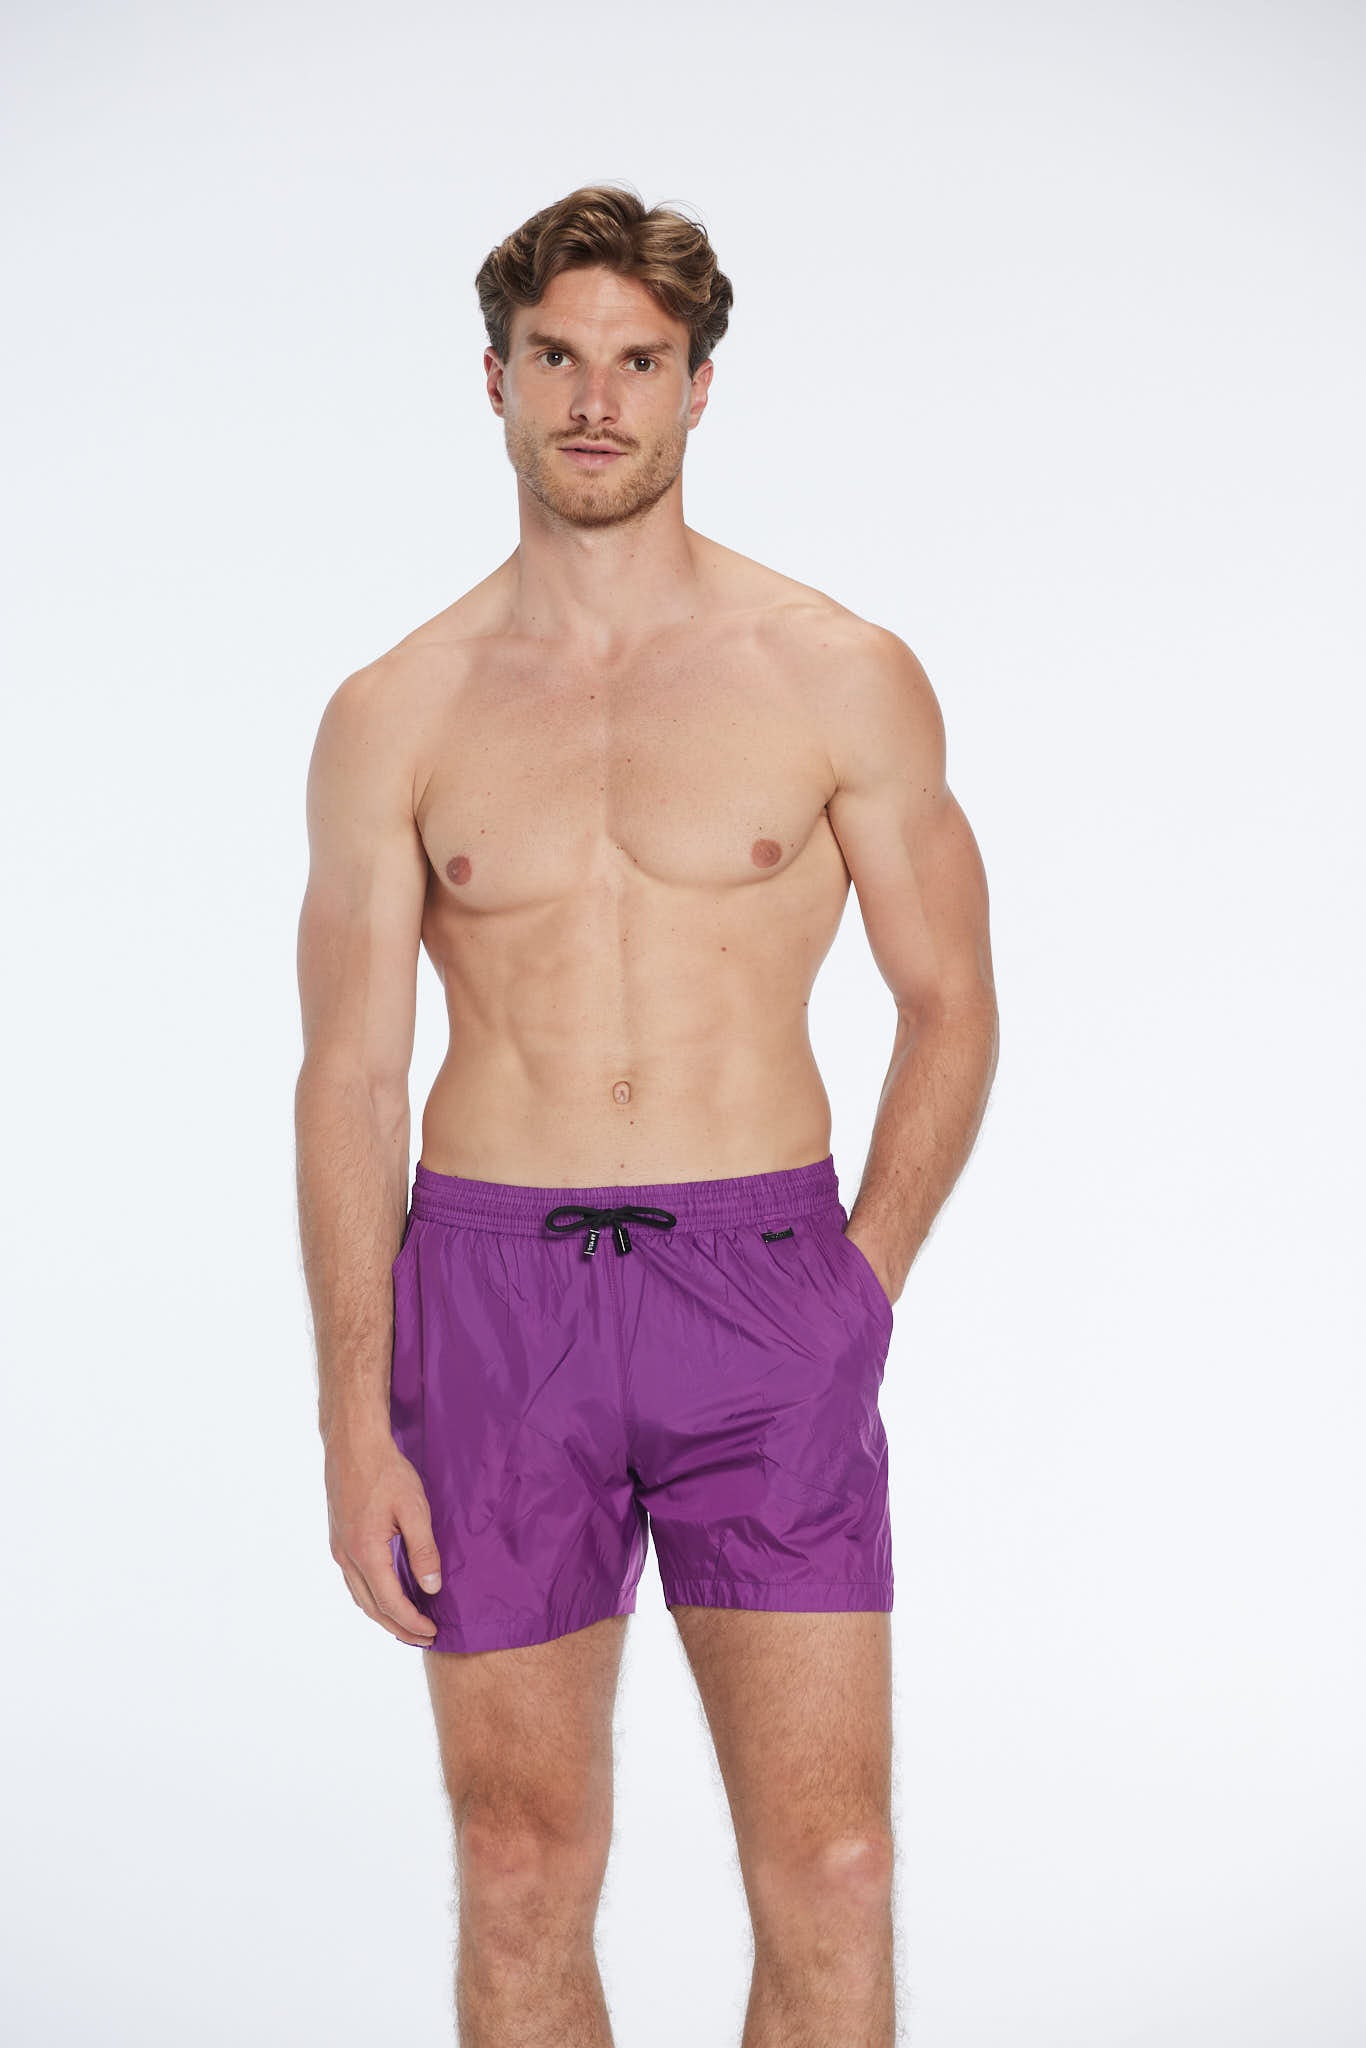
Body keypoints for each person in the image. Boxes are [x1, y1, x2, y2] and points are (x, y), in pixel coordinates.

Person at [294, 182, 998, 2047]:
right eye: (555, 358)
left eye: (637, 361)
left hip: (761, 1284)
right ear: (495, 380)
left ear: (697, 387)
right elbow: (348, 1073)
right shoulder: (395, 710)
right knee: (519, 1860)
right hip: (491, 1297)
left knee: (834, 1864)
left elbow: (949, 1001)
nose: (594, 399)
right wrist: (352, 1412)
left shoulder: (832, 672)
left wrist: (857, 1283)